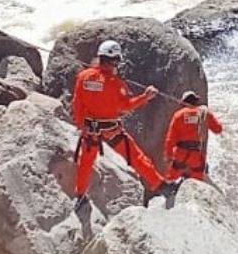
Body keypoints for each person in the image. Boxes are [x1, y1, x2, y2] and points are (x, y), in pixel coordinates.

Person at [70, 40, 167, 204]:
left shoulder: (83, 77)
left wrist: (81, 126)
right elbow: (125, 106)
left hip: (90, 129)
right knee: (136, 157)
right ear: (114, 60)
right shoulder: (115, 84)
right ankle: (159, 184)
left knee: (85, 162)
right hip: (111, 130)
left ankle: (80, 195)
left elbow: (76, 104)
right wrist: (145, 97)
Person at [163, 91, 223, 183]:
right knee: (196, 184)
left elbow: (170, 139)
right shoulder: (205, 114)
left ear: (184, 102)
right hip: (197, 157)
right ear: (196, 101)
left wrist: (168, 157)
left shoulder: (178, 115)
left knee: (171, 183)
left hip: (180, 155)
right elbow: (218, 129)